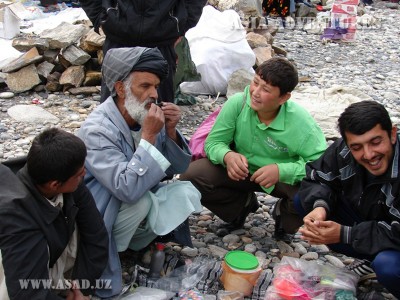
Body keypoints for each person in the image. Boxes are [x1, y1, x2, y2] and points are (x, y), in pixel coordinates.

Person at [77, 46, 202, 298]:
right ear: (121, 89)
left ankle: (135, 245)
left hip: (133, 203)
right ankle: (116, 247)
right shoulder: (97, 129)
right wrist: (149, 136)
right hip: (105, 209)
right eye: (144, 86)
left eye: (155, 86)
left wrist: (170, 131)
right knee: (142, 201)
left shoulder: (141, 115)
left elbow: (178, 168)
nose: (153, 94)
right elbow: (127, 188)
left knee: (185, 192)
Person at [180, 57, 327, 237]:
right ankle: (240, 206)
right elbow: (213, 142)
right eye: (255, 83)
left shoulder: (302, 124)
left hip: (280, 179)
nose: (255, 92)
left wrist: (281, 171)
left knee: (312, 195)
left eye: (265, 89)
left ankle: (284, 218)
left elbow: (321, 166)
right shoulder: (238, 103)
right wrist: (227, 156)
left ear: (284, 97)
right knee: (191, 175)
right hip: (240, 171)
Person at [297, 100, 400, 299]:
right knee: (303, 201)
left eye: (376, 142)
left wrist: (347, 234)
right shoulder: (343, 150)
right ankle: (370, 257)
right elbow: (317, 177)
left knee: (388, 266)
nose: (369, 154)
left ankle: (378, 260)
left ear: (393, 134)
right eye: (357, 147)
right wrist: (320, 208)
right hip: (375, 220)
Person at [0, 128, 108, 300]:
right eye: (80, 174)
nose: (84, 174)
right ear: (54, 185)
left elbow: (97, 236)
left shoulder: (67, 177)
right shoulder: (17, 216)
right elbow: (26, 294)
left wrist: (81, 289)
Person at [79, 0, 207, 103]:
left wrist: (182, 22)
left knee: (158, 109)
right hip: (118, 38)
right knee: (113, 111)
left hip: (162, 40)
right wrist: (100, 18)